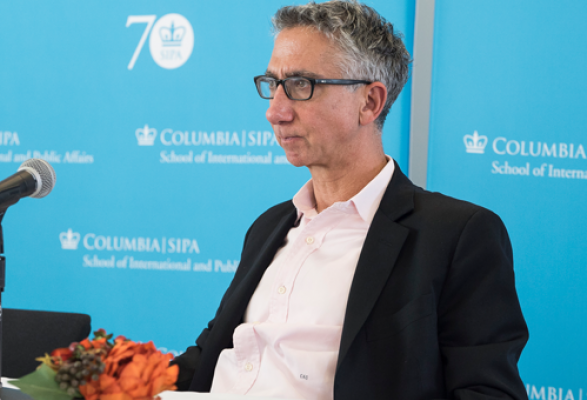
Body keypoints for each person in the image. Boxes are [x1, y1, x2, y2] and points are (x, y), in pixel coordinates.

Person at [171, 1, 528, 399]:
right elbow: (207, 358)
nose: (275, 111)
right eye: (273, 85)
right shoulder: (269, 226)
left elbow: (488, 392)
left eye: (301, 85)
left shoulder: (457, 235)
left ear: (370, 102)